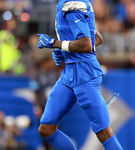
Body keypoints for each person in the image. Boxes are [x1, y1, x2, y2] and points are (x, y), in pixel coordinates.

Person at [37, 0, 123, 150]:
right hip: (69, 73)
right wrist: (65, 52)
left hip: (85, 73)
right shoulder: (64, 3)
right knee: (46, 127)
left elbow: (86, 45)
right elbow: (97, 38)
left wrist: (55, 43)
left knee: (103, 132)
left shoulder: (72, 4)